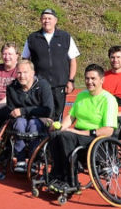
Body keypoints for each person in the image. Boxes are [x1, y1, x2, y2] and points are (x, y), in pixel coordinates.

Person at [48, 64, 117, 193]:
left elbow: (108, 131)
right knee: (55, 134)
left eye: (93, 78)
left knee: (67, 136)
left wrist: (77, 132)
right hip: (78, 134)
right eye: (87, 78)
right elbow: (71, 117)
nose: (89, 82)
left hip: (96, 138)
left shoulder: (109, 100)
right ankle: (56, 175)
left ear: (102, 80)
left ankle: (71, 181)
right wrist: (61, 127)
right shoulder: (81, 95)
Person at [22, 8, 80, 120]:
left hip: (59, 85)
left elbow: (73, 60)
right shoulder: (32, 38)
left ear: (55, 20)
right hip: (39, 85)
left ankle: (55, 131)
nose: (46, 21)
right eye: (44, 18)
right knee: (41, 115)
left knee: (57, 116)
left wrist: (71, 80)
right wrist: (27, 80)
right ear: (40, 20)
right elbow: (25, 60)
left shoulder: (65, 37)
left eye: (49, 18)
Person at [6, 60, 54, 172]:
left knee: (33, 124)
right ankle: (20, 160)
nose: (22, 76)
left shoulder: (43, 85)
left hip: (40, 120)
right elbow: (11, 110)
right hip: (20, 120)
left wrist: (23, 111)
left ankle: (33, 160)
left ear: (33, 73)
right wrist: (21, 114)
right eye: (19, 72)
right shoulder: (11, 87)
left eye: (25, 72)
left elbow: (47, 110)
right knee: (20, 123)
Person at [103, 45, 121, 132]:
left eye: (118, 57)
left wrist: (116, 114)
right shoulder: (102, 76)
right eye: (112, 57)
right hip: (103, 114)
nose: (115, 60)